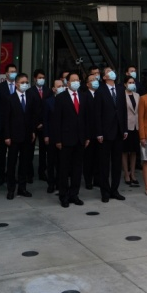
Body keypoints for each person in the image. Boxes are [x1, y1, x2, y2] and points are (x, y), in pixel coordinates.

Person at [50, 72, 92, 207]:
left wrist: (87, 136)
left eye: (78, 80)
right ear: (67, 83)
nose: (76, 82)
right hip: (66, 139)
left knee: (77, 169)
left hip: (80, 139)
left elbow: (86, 118)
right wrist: (57, 139)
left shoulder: (83, 96)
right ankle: (63, 195)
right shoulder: (61, 98)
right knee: (64, 169)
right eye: (73, 80)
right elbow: (57, 120)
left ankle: (74, 194)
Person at [1, 73, 39, 198]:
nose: (25, 84)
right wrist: (7, 136)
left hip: (27, 136)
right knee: (12, 163)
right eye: (22, 82)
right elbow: (6, 119)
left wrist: (33, 131)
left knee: (24, 163)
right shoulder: (10, 99)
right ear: (16, 84)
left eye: (26, 82)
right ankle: (11, 189)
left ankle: (22, 188)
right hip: (13, 137)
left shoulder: (31, 97)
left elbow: (33, 116)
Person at [94, 67, 127, 202]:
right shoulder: (100, 91)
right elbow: (97, 113)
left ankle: (115, 190)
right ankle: (105, 191)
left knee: (117, 163)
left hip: (119, 131)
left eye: (111, 70)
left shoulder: (120, 89)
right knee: (104, 164)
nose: (111, 72)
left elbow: (123, 110)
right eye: (108, 71)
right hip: (105, 132)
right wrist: (99, 132)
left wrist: (125, 129)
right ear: (104, 77)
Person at [42, 78, 64, 192]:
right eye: (59, 86)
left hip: (63, 135)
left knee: (61, 162)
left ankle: (60, 183)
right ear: (54, 89)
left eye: (62, 86)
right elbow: (45, 120)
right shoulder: (48, 101)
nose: (61, 88)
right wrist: (46, 135)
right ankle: (51, 183)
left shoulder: (66, 100)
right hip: (51, 135)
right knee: (51, 161)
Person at [123, 75, 141, 187]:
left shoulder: (137, 95)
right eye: (129, 82)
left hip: (136, 127)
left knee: (134, 151)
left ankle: (133, 173)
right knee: (125, 151)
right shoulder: (122, 95)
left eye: (133, 82)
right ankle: (126, 173)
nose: (131, 84)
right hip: (126, 127)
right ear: (125, 84)